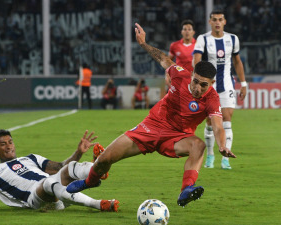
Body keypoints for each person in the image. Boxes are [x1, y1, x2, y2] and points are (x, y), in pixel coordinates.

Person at [66, 23, 236, 208]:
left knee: (199, 145)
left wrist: (222, 145)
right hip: (151, 127)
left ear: (211, 83)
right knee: (105, 159)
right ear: (192, 74)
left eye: (203, 85)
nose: (197, 88)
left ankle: (186, 189)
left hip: (177, 137)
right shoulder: (180, 74)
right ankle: (89, 182)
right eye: (195, 82)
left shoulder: (212, 98)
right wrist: (143, 44)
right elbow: (163, 58)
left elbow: (218, 125)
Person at [0, 130, 119, 212]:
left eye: (10, 142)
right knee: (50, 182)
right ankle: (99, 204)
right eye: (3, 144)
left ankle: (98, 170)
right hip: (35, 199)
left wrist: (79, 152)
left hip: (59, 195)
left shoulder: (30, 158)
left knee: (71, 168)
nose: (9, 146)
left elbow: (59, 167)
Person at [193, 9, 246, 170]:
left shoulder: (232, 39)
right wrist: (196, 83)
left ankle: (226, 158)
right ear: (210, 22)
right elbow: (196, 61)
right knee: (210, 121)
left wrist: (243, 83)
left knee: (227, 118)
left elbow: (237, 61)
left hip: (227, 84)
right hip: (208, 86)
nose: (217, 22)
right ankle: (210, 155)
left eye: (220, 19)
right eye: (214, 19)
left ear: (224, 22)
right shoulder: (203, 39)